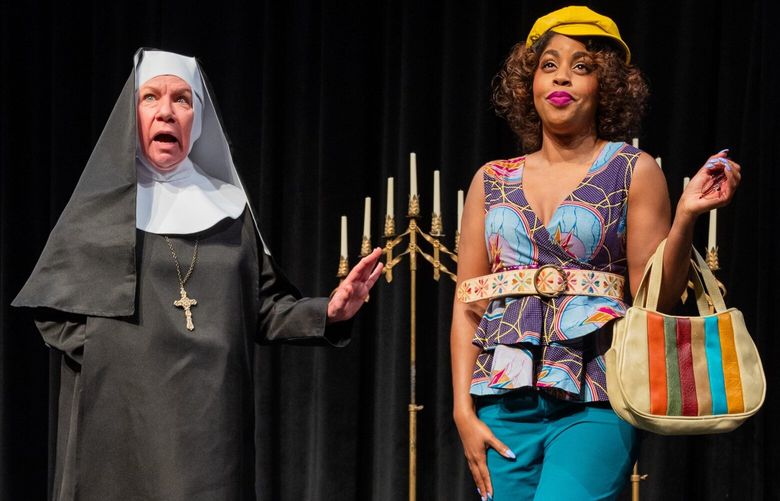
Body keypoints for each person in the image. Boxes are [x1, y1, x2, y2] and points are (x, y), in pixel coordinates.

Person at [13, 48, 383, 500]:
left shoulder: (228, 209)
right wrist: (115, 349)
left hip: (210, 419)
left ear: (198, 118)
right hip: (122, 412)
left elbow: (264, 307)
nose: (166, 110)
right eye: (151, 97)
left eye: (181, 99)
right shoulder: (102, 208)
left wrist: (329, 310)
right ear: (133, 113)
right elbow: (51, 305)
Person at [450, 6, 741, 500]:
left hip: (597, 395)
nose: (562, 75)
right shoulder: (490, 179)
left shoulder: (632, 169)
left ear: (605, 85)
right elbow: (468, 303)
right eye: (549, 64)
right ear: (529, 83)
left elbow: (658, 300)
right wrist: (462, 409)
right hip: (502, 398)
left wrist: (687, 217)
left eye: (581, 66)